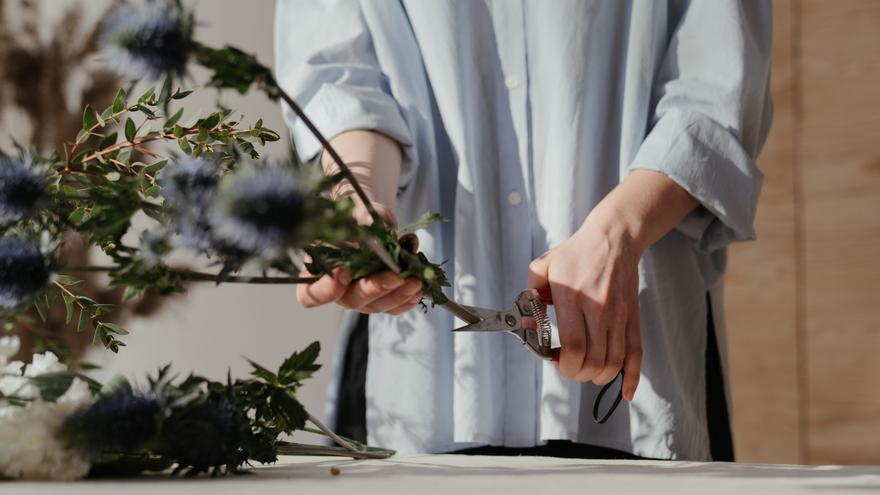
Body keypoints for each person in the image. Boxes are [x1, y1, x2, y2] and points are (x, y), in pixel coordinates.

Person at [275, 0, 772, 461]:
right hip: (420, 388)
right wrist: (358, 199)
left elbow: (715, 84)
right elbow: (342, 79)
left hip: (635, 386)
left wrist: (617, 234)